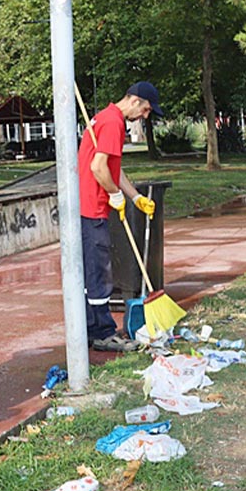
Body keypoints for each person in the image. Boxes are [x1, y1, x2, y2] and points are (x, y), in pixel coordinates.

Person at [79, 81, 163, 352]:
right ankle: (102, 333)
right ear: (136, 101)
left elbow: (113, 167)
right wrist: (114, 194)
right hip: (92, 207)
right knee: (98, 273)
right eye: (147, 110)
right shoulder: (113, 123)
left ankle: (92, 328)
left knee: (94, 270)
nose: (146, 116)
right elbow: (98, 167)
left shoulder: (106, 117)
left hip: (91, 205)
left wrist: (134, 196)